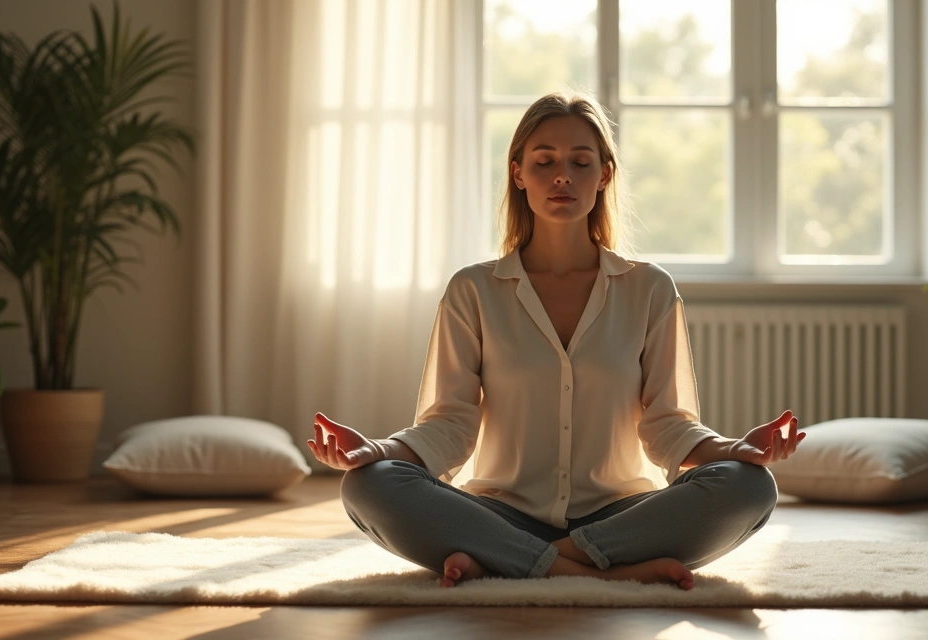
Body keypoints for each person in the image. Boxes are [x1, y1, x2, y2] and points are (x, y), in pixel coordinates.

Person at [306, 90, 805, 590]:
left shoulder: (649, 288)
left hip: (620, 517)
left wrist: (733, 449)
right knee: (371, 485)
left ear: (604, 174)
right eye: (544, 161)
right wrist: (378, 450)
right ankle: (604, 573)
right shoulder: (473, 290)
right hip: (499, 511)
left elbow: (667, 423)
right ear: (518, 173)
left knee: (748, 486)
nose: (562, 175)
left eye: (580, 161)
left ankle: (516, 562)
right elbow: (450, 424)